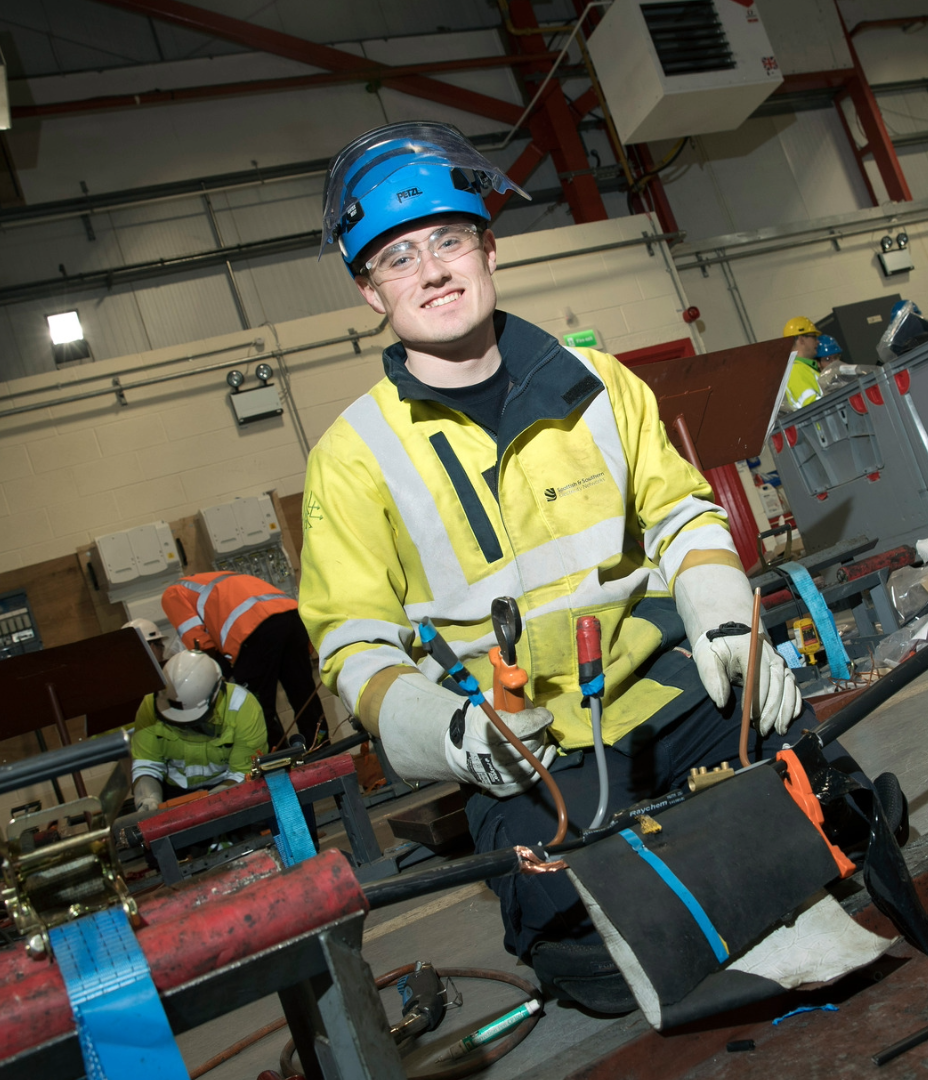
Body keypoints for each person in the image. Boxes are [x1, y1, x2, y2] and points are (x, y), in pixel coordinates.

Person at [298, 120, 812, 1015]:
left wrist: (730, 625)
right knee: (583, 953)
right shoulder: (351, 458)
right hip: (523, 757)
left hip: (659, 702)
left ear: (489, 249)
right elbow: (352, 647)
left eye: (451, 239)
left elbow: (684, 514)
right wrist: (453, 735)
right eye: (398, 257)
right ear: (369, 292)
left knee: (823, 786)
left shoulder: (601, 383)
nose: (433, 270)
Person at [162, 572, 327, 750]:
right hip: (292, 618)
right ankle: (323, 752)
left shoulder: (172, 594)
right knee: (304, 696)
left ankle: (280, 763)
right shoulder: (218, 579)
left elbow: (198, 641)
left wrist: (220, 672)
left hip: (254, 631)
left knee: (256, 708)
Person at [131, 651, 268, 811]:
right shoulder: (151, 705)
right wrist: (147, 799)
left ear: (215, 696)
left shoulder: (242, 708)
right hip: (172, 794)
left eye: (193, 723)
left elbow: (243, 772)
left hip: (228, 788)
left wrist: (208, 806)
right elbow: (147, 763)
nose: (185, 728)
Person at [781, 316, 822, 410]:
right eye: (814, 337)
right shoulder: (795, 370)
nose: (817, 341)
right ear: (801, 339)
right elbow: (813, 405)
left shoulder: (804, 368)